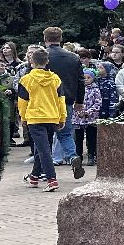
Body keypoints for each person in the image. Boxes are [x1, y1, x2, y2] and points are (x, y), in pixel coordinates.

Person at [17, 47, 66, 192]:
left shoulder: (26, 80)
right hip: (52, 117)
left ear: (31, 61)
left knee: (43, 150)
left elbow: (22, 102)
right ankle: (34, 177)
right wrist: (62, 117)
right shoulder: (55, 78)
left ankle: (51, 179)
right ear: (47, 61)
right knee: (43, 148)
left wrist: (23, 118)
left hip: (35, 118)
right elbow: (60, 100)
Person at [42, 27, 83, 176]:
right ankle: (72, 156)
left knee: (44, 136)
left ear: (45, 39)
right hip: (66, 100)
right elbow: (80, 81)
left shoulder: (42, 57)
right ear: (61, 39)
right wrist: (80, 100)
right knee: (65, 134)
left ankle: (42, 171)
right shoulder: (73, 57)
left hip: (45, 101)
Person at [72, 67, 102, 169]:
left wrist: (88, 112)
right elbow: (73, 102)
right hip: (78, 118)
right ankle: (78, 157)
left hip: (91, 118)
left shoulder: (95, 89)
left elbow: (97, 103)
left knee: (91, 137)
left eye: (88, 77)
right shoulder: (77, 88)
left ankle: (91, 156)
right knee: (78, 138)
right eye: (84, 77)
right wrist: (79, 112)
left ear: (93, 78)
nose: (86, 79)